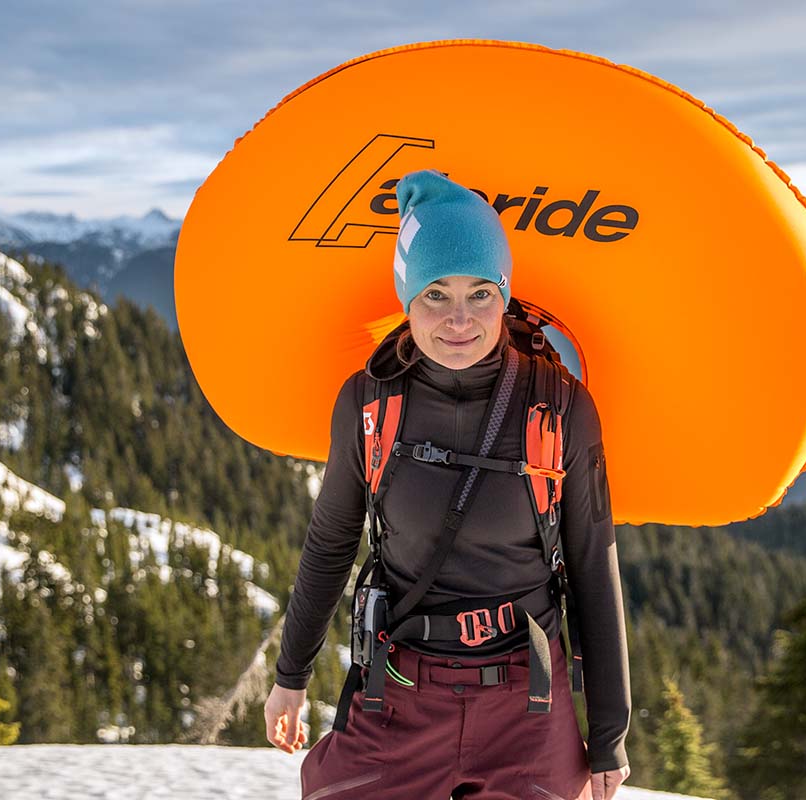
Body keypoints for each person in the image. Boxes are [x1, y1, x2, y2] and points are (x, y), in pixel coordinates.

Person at [264, 169, 632, 800]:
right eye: (436, 293)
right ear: (406, 298)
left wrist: (608, 736)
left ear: (505, 295)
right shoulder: (369, 403)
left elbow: (593, 565)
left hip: (528, 701)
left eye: (480, 293)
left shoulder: (561, 407)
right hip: (399, 690)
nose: (459, 319)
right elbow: (330, 544)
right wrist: (290, 675)